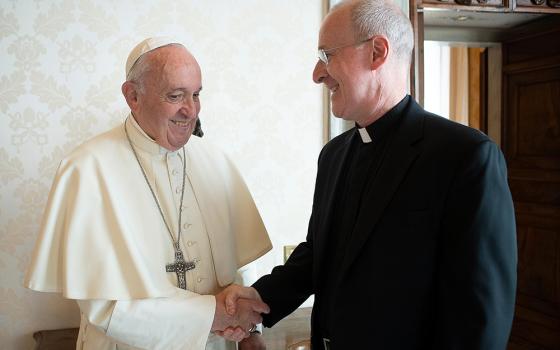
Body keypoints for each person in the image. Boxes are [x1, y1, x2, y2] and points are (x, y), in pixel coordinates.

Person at [220, 0, 518, 349]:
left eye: (327, 55)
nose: (317, 73)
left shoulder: (466, 156)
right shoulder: (333, 156)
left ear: (377, 52)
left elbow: (480, 316)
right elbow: (319, 257)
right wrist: (256, 299)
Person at [25, 37, 272, 350]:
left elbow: (241, 267)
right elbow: (104, 308)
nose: (190, 110)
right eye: (175, 95)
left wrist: (250, 332)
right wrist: (213, 315)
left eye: (196, 95)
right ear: (133, 96)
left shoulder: (215, 160)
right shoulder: (87, 169)